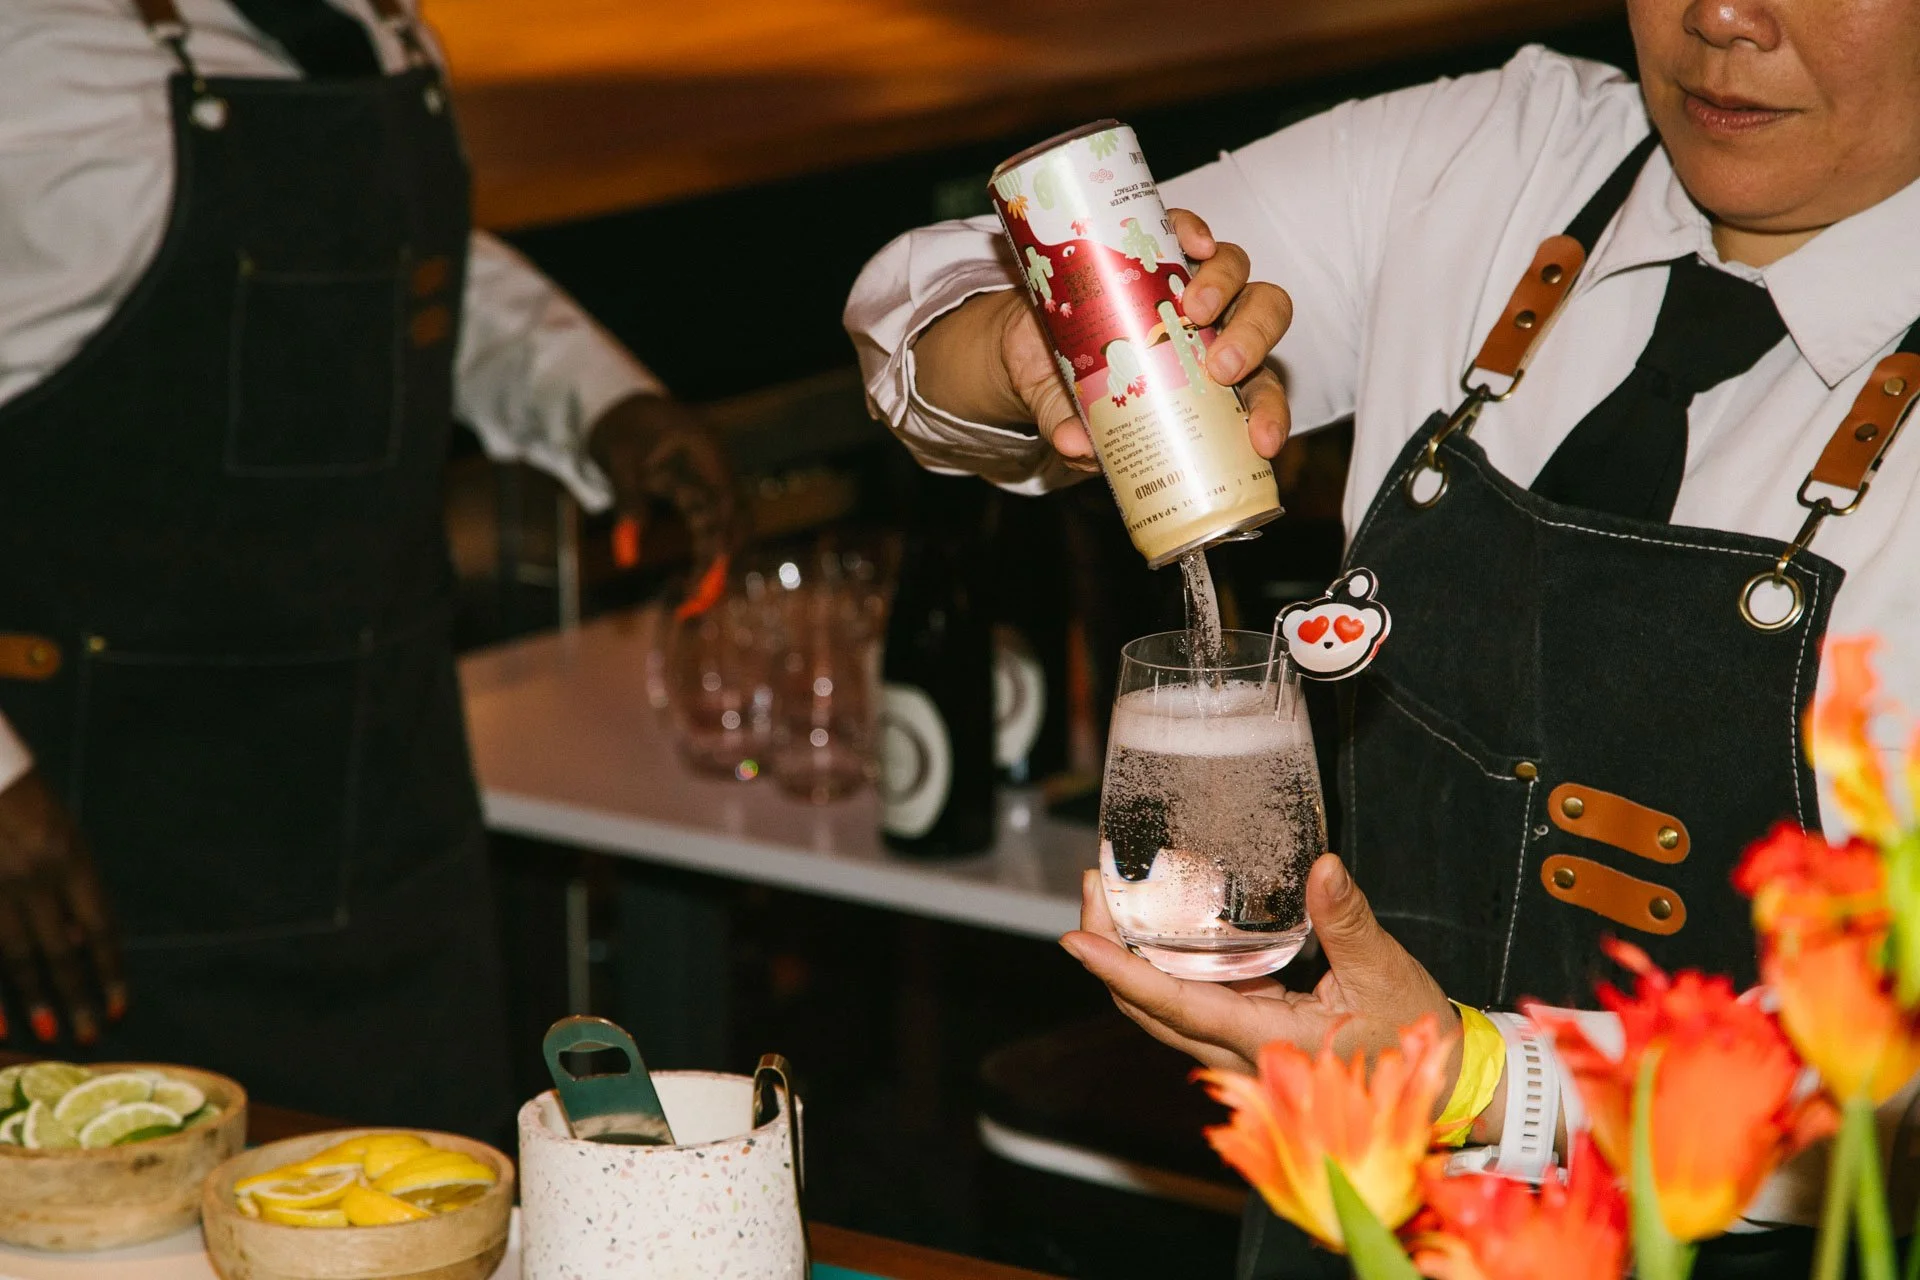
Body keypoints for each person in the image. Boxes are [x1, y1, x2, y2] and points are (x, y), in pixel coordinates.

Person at [847, 0, 1920, 1271]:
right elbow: (918, 296)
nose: (1722, 17)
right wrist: (1039, 342)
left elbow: (1886, 1085)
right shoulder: (1493, 159)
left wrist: (1474, 1078)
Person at [0, 0, 736, 1136]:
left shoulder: (376, 24)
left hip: (395, 827)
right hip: (111, 862)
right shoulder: (31, 51)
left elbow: (410, 262)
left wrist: (599, 400)